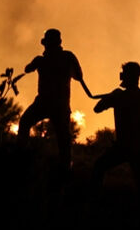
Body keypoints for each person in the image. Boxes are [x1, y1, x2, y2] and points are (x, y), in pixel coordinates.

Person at [18, 28, 89, 175]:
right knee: (63, 137)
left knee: (27, 123)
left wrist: (38, 63)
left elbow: (27, 69)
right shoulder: (66, 57)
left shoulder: (45, 60)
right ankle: (65, 167)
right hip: (57, 104)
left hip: (47, 103)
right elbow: (78, 76)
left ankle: (21, 158)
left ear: (46, 44)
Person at [92, 62, 140, 220]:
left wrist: (112, 96)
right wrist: (114, 96)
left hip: (125, 148)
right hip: (139, 149)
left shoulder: (120, 97)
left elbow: (97, 108)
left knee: (99, 167)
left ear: (128, 76)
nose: (121, 76)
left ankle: (94, 206)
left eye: (123, 74)